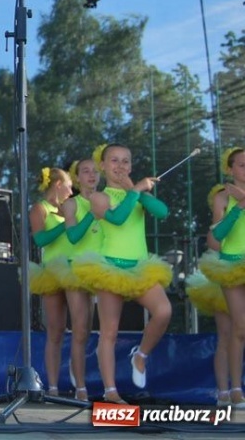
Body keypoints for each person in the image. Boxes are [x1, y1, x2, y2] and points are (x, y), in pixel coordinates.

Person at [73, 143, 172, 404]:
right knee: (109, 332)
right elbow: (116, 219)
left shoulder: (136, 195)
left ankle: (140, 355)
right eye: (114, 161)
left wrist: (135, 190)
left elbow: (162, 212)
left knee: (163, 311)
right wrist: (135, 190)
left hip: (140, 267)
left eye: (125, 161)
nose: (120, 166)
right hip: (110, 268)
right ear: (103, 166)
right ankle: (111, 391)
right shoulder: (98, 197)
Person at [27, 166, 84, 399]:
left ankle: (77, 376)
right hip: (52, 270)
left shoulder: (72, 207)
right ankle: (52, 386)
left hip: (74, 268)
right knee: (56, 330)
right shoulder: (41, 208)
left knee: (80, 328)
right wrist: (65, 223)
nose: (72, 191)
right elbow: (41, 239)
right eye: (70, 186)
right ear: (58, 185)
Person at [200, 147, 245, 410]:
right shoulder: (222, 197)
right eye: (241, 165)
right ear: (229, 169)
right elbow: (216, 241)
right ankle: (230, 389)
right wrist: (239, 207)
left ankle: (230, 389)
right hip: (231, 267)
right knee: (234, 329)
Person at [56, 157, 104, 401]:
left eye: (95, 171)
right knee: (81, 329)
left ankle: (109, 387)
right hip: (77, 269)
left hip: (104, 269)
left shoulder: (106, 200)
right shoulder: (71, 204)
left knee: (103, 329)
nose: (92, 175)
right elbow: (73, 236)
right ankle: (81, 387)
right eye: (86, 172)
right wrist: (91, 216)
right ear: (77, 178)